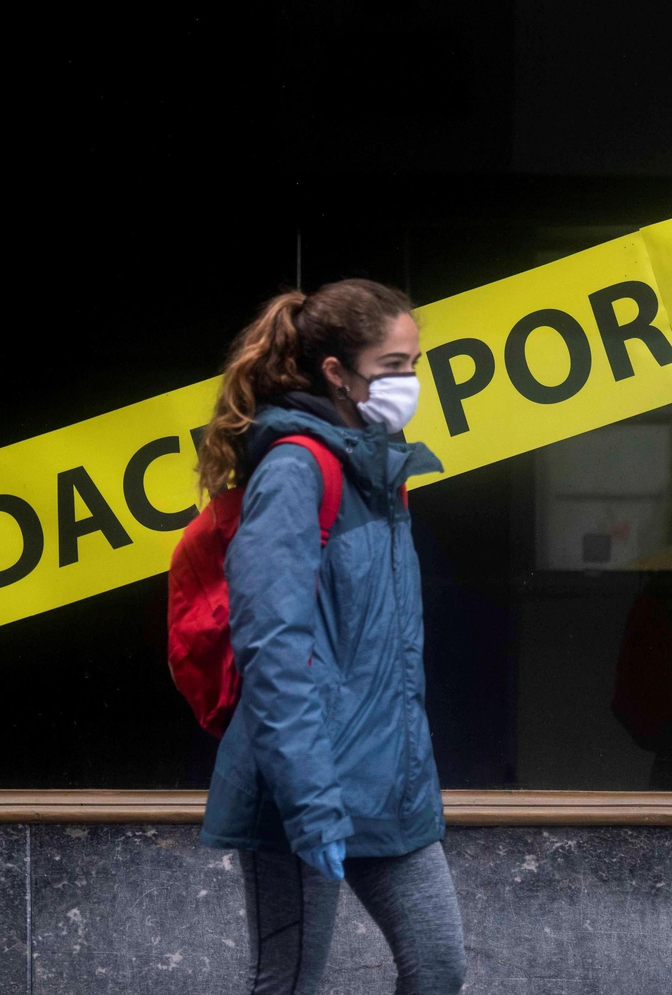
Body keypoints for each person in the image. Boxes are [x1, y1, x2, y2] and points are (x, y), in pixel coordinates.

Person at [195, 278, 466, 995]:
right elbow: (272, 648)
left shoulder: (379, 468)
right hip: (304, 787)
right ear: (336, 373)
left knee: (438, 967)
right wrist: (311, 806)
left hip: (390, 782)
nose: (410, 381)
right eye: (393, 365)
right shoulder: (294, 470)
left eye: (415, 362)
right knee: (289, 983)